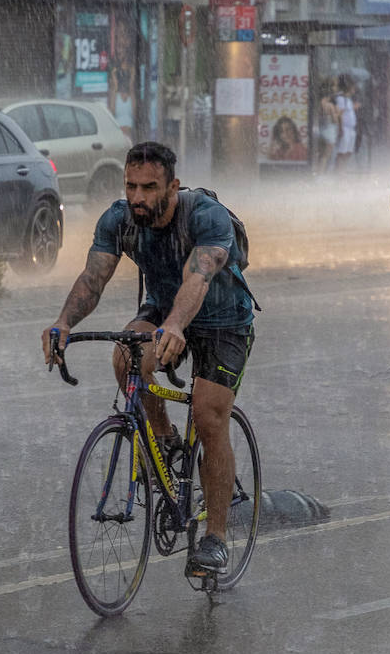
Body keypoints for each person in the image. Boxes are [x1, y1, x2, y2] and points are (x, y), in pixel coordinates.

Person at [43, 141, 255, 579]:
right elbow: (94, 278)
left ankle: (215, 539)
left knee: (209, 415)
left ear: (173, 186)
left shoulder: (205, 217)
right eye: (131, 186)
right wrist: (63, 322)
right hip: (162, 308)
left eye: (149, 187)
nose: (137, 197)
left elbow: (199, 276)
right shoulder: (119, 220)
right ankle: (165, 438)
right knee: (126, 359)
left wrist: (176, 325)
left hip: (223, 320)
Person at [333, 74, 358, 172]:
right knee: (342, 151)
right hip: (345, 128)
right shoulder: (341, 98)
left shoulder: (348, 99)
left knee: (349, 151)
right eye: (353, 87)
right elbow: (340, 114)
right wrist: (340, 128)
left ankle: (343, 169)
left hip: (351, 128)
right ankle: (338, 170)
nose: (354, 90)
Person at [313, 85, 339, 173]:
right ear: (328, 96)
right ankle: (321, 175)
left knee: (319, 155)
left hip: (319, 132)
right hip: (329, 133)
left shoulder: (316, 105)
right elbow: (335, 120)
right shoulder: (330, 105)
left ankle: (316, 173)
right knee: (325, 157)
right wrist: (338, 114)